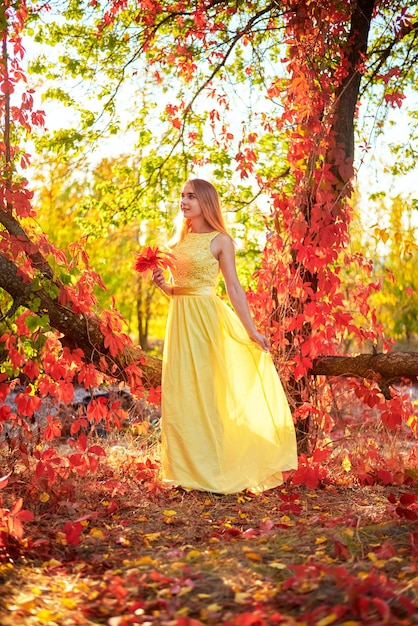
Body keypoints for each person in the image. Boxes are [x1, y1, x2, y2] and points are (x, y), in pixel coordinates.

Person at [152, 178, 297, 494]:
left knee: (208, 394)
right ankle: (186, 471)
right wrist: (164, 286)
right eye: (182, 195)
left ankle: (216, 469)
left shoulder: (221, 241)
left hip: (206, 321)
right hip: (179, 320)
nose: (184, 201)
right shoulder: (177, 242)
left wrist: (252, 330)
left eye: (191, 196)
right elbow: (181, 290)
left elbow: (233, 288)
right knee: (182, 393)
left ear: (205, 201)